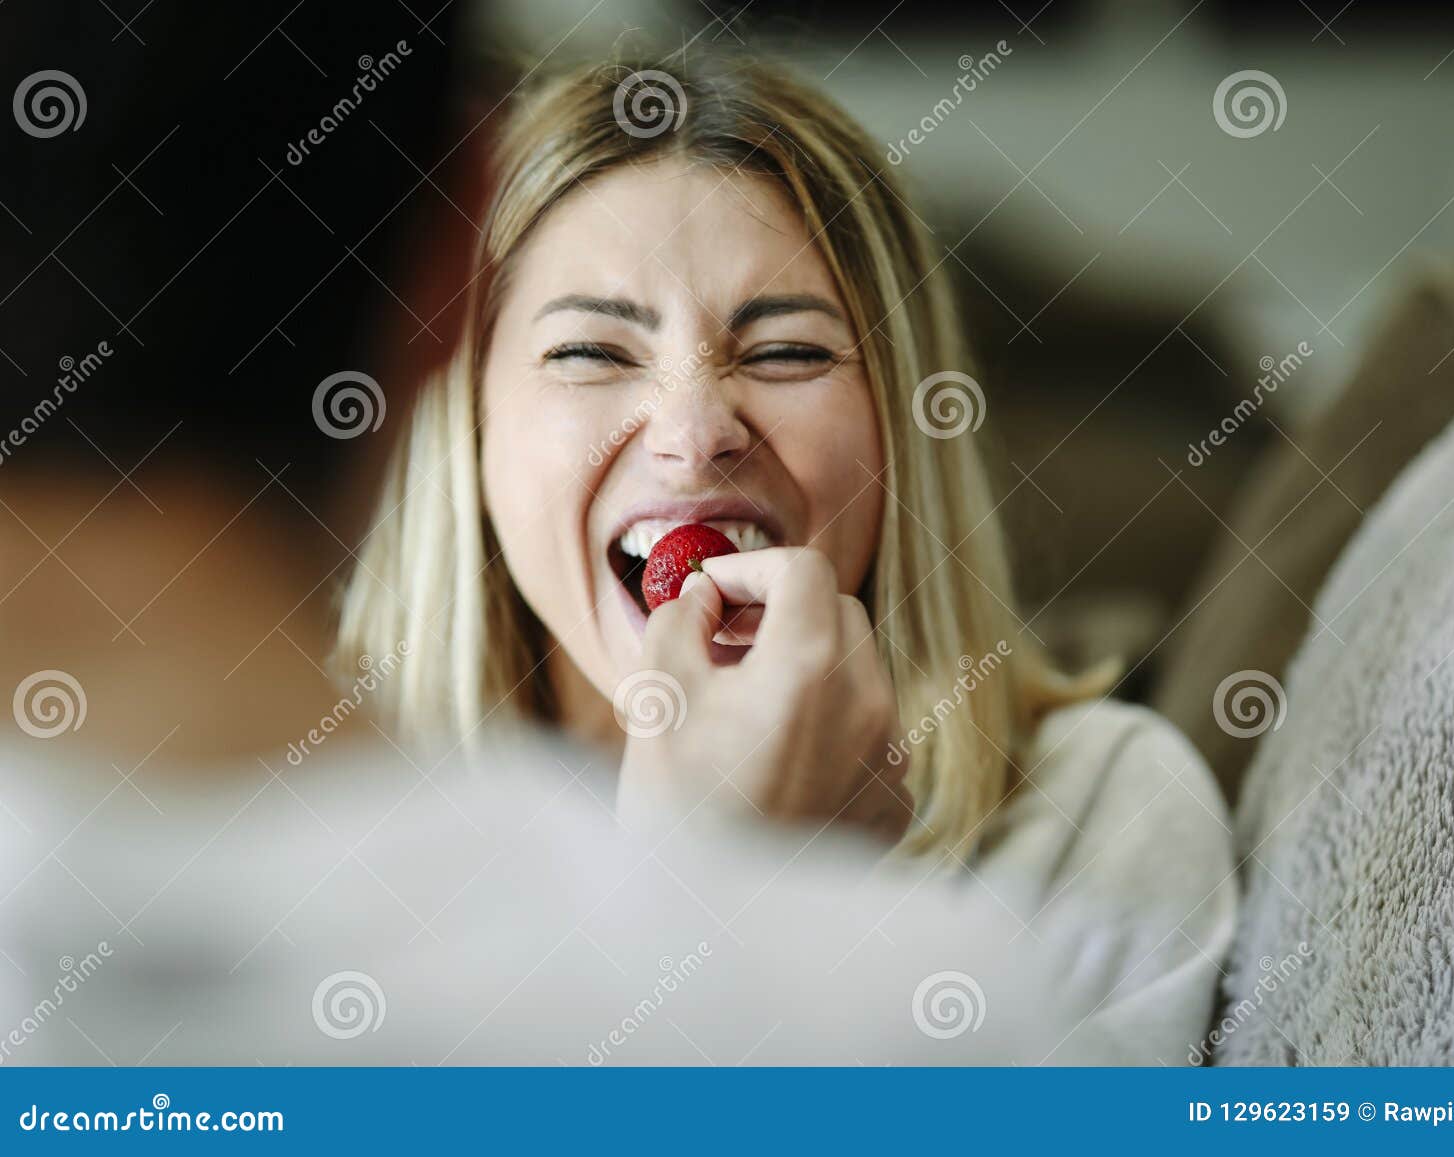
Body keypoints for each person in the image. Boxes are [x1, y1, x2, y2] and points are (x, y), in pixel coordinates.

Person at [336, 55, 1236, 1057]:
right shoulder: (305, 857)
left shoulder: (1102, 812)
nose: (693, 430)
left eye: (786, 353)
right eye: (593, 352)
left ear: (901, 422)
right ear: (461, 424)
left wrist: (764, 897)